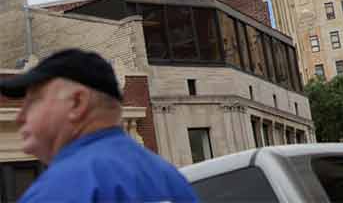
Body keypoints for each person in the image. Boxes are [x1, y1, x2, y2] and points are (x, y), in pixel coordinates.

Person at [0, 48, 197, 203]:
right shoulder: (170, 179)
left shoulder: (64, 187)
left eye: (34, 101)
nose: (21, 116)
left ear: (77, 103)